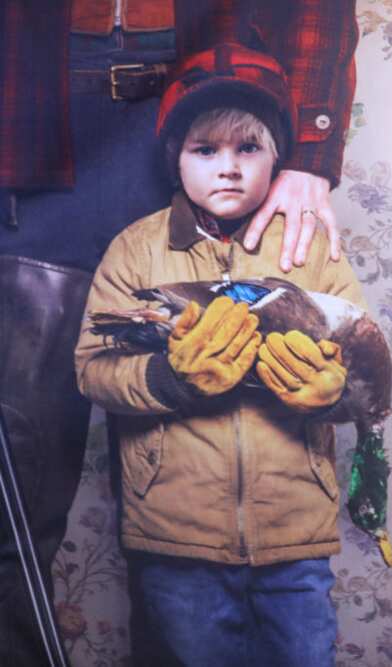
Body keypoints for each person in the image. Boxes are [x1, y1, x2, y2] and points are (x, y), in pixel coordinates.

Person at [74, 43, 368, 666]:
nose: (227, 168)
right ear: (174, 159)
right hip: (177, 539)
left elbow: (364, 365)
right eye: (205, 150)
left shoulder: (310, 249)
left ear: (278, 158)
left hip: (296, 538)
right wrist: (168, 378)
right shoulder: (135, 250)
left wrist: (334, 393)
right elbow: (92, 370)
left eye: (248, 149)